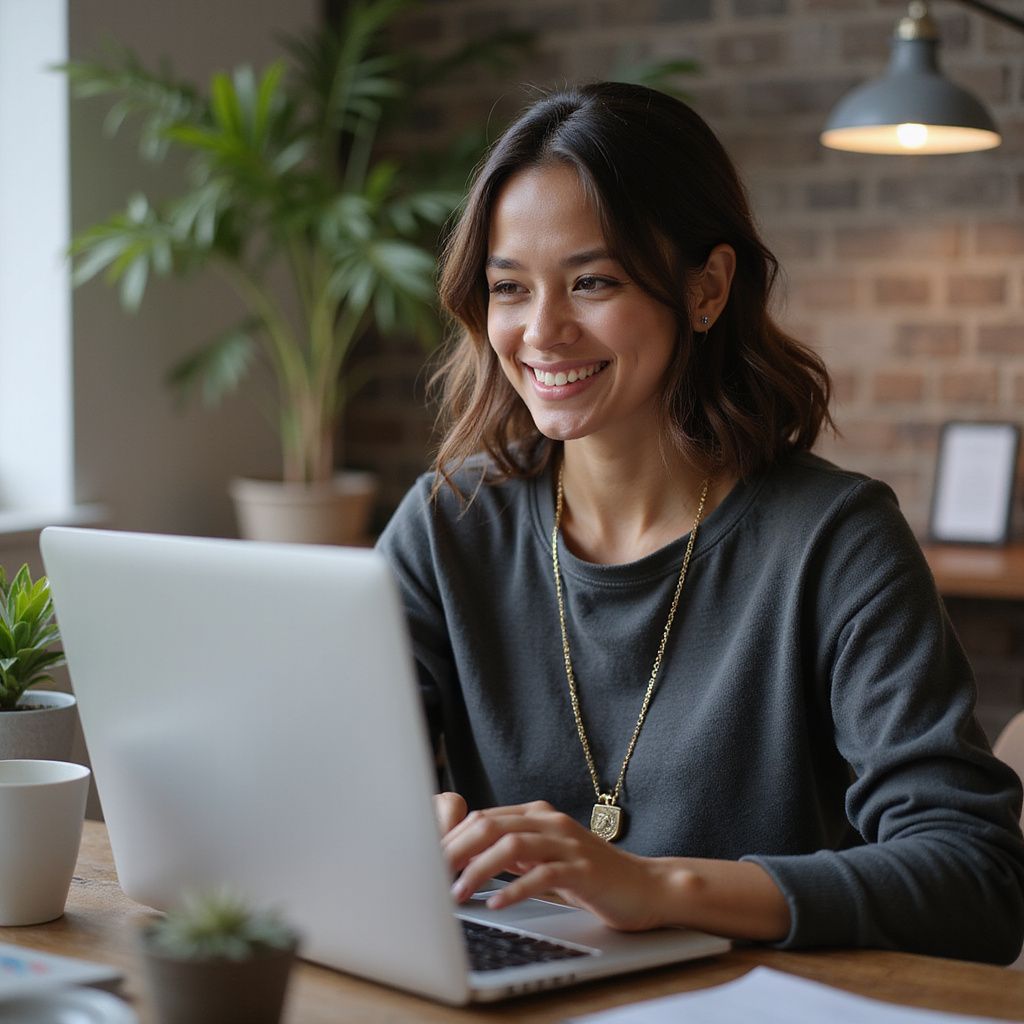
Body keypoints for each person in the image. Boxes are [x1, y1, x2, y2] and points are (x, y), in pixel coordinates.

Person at [376, 81, 1024, 963]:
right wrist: (395, 818)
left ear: (708, 288)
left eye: (593, 281)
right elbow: (327, 773)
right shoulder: (448, 524)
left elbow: (976, 877)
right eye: (509, 289)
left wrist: (656, 888)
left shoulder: (836, 541)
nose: (542, 330)